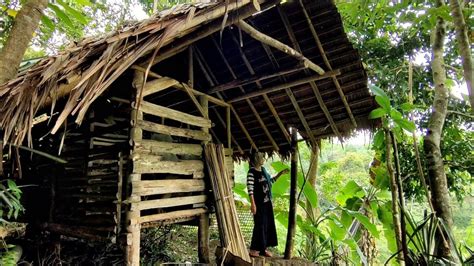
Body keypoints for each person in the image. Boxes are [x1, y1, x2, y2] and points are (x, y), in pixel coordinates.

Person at [247, 151, 289, 257]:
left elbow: (270, 182)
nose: (263, 159)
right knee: (259, 225)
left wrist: (280, 173)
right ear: (256, 159)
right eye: (261, 157)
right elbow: (250, 189)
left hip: (267, 203)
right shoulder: (251, 172)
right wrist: (253, 204)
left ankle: (263, 249)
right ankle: (253, 249)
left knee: (267, 225)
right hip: (258, 204)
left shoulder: (264, 171)